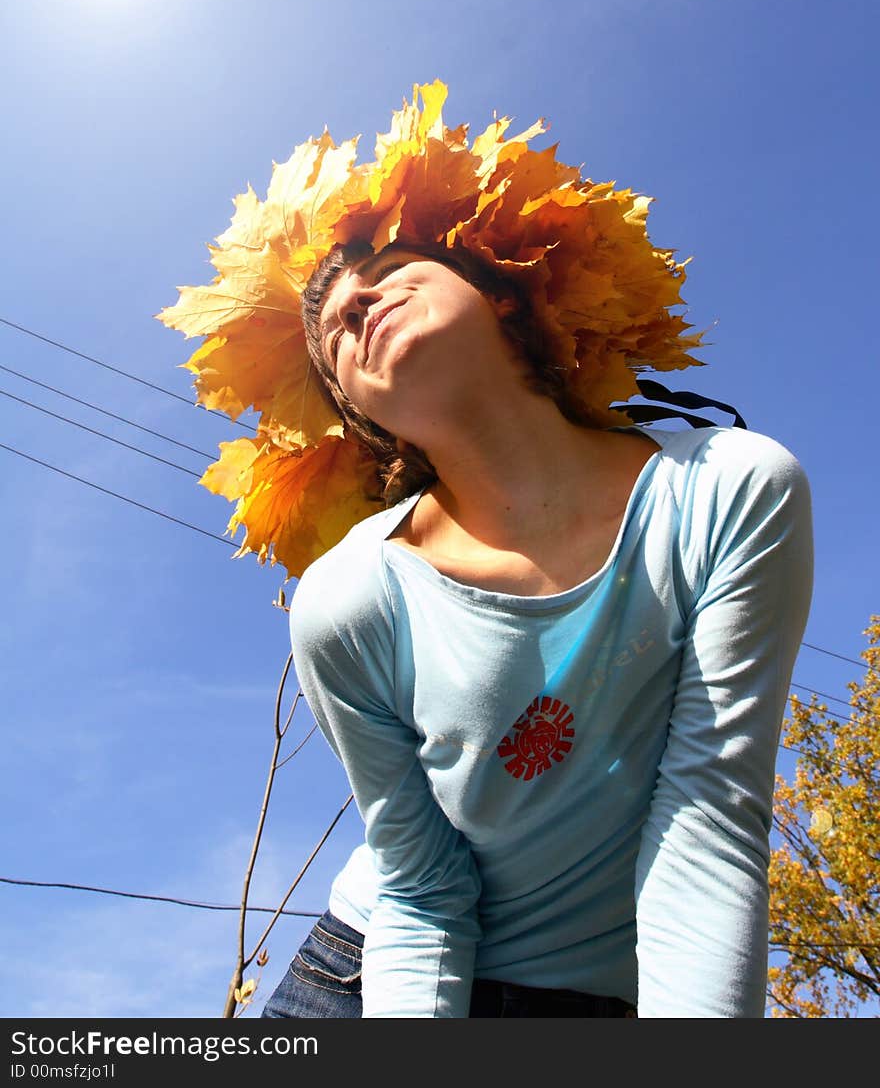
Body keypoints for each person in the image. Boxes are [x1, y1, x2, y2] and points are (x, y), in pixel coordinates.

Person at [259, 234, 814, 1020]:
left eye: (386, 275)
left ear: (507, 297)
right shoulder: (345, 601)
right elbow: (422, 888)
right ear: (362, 412)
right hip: (369, 978)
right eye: (336, 338)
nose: (355, 306)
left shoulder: (728, 487)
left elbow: (711, 808)